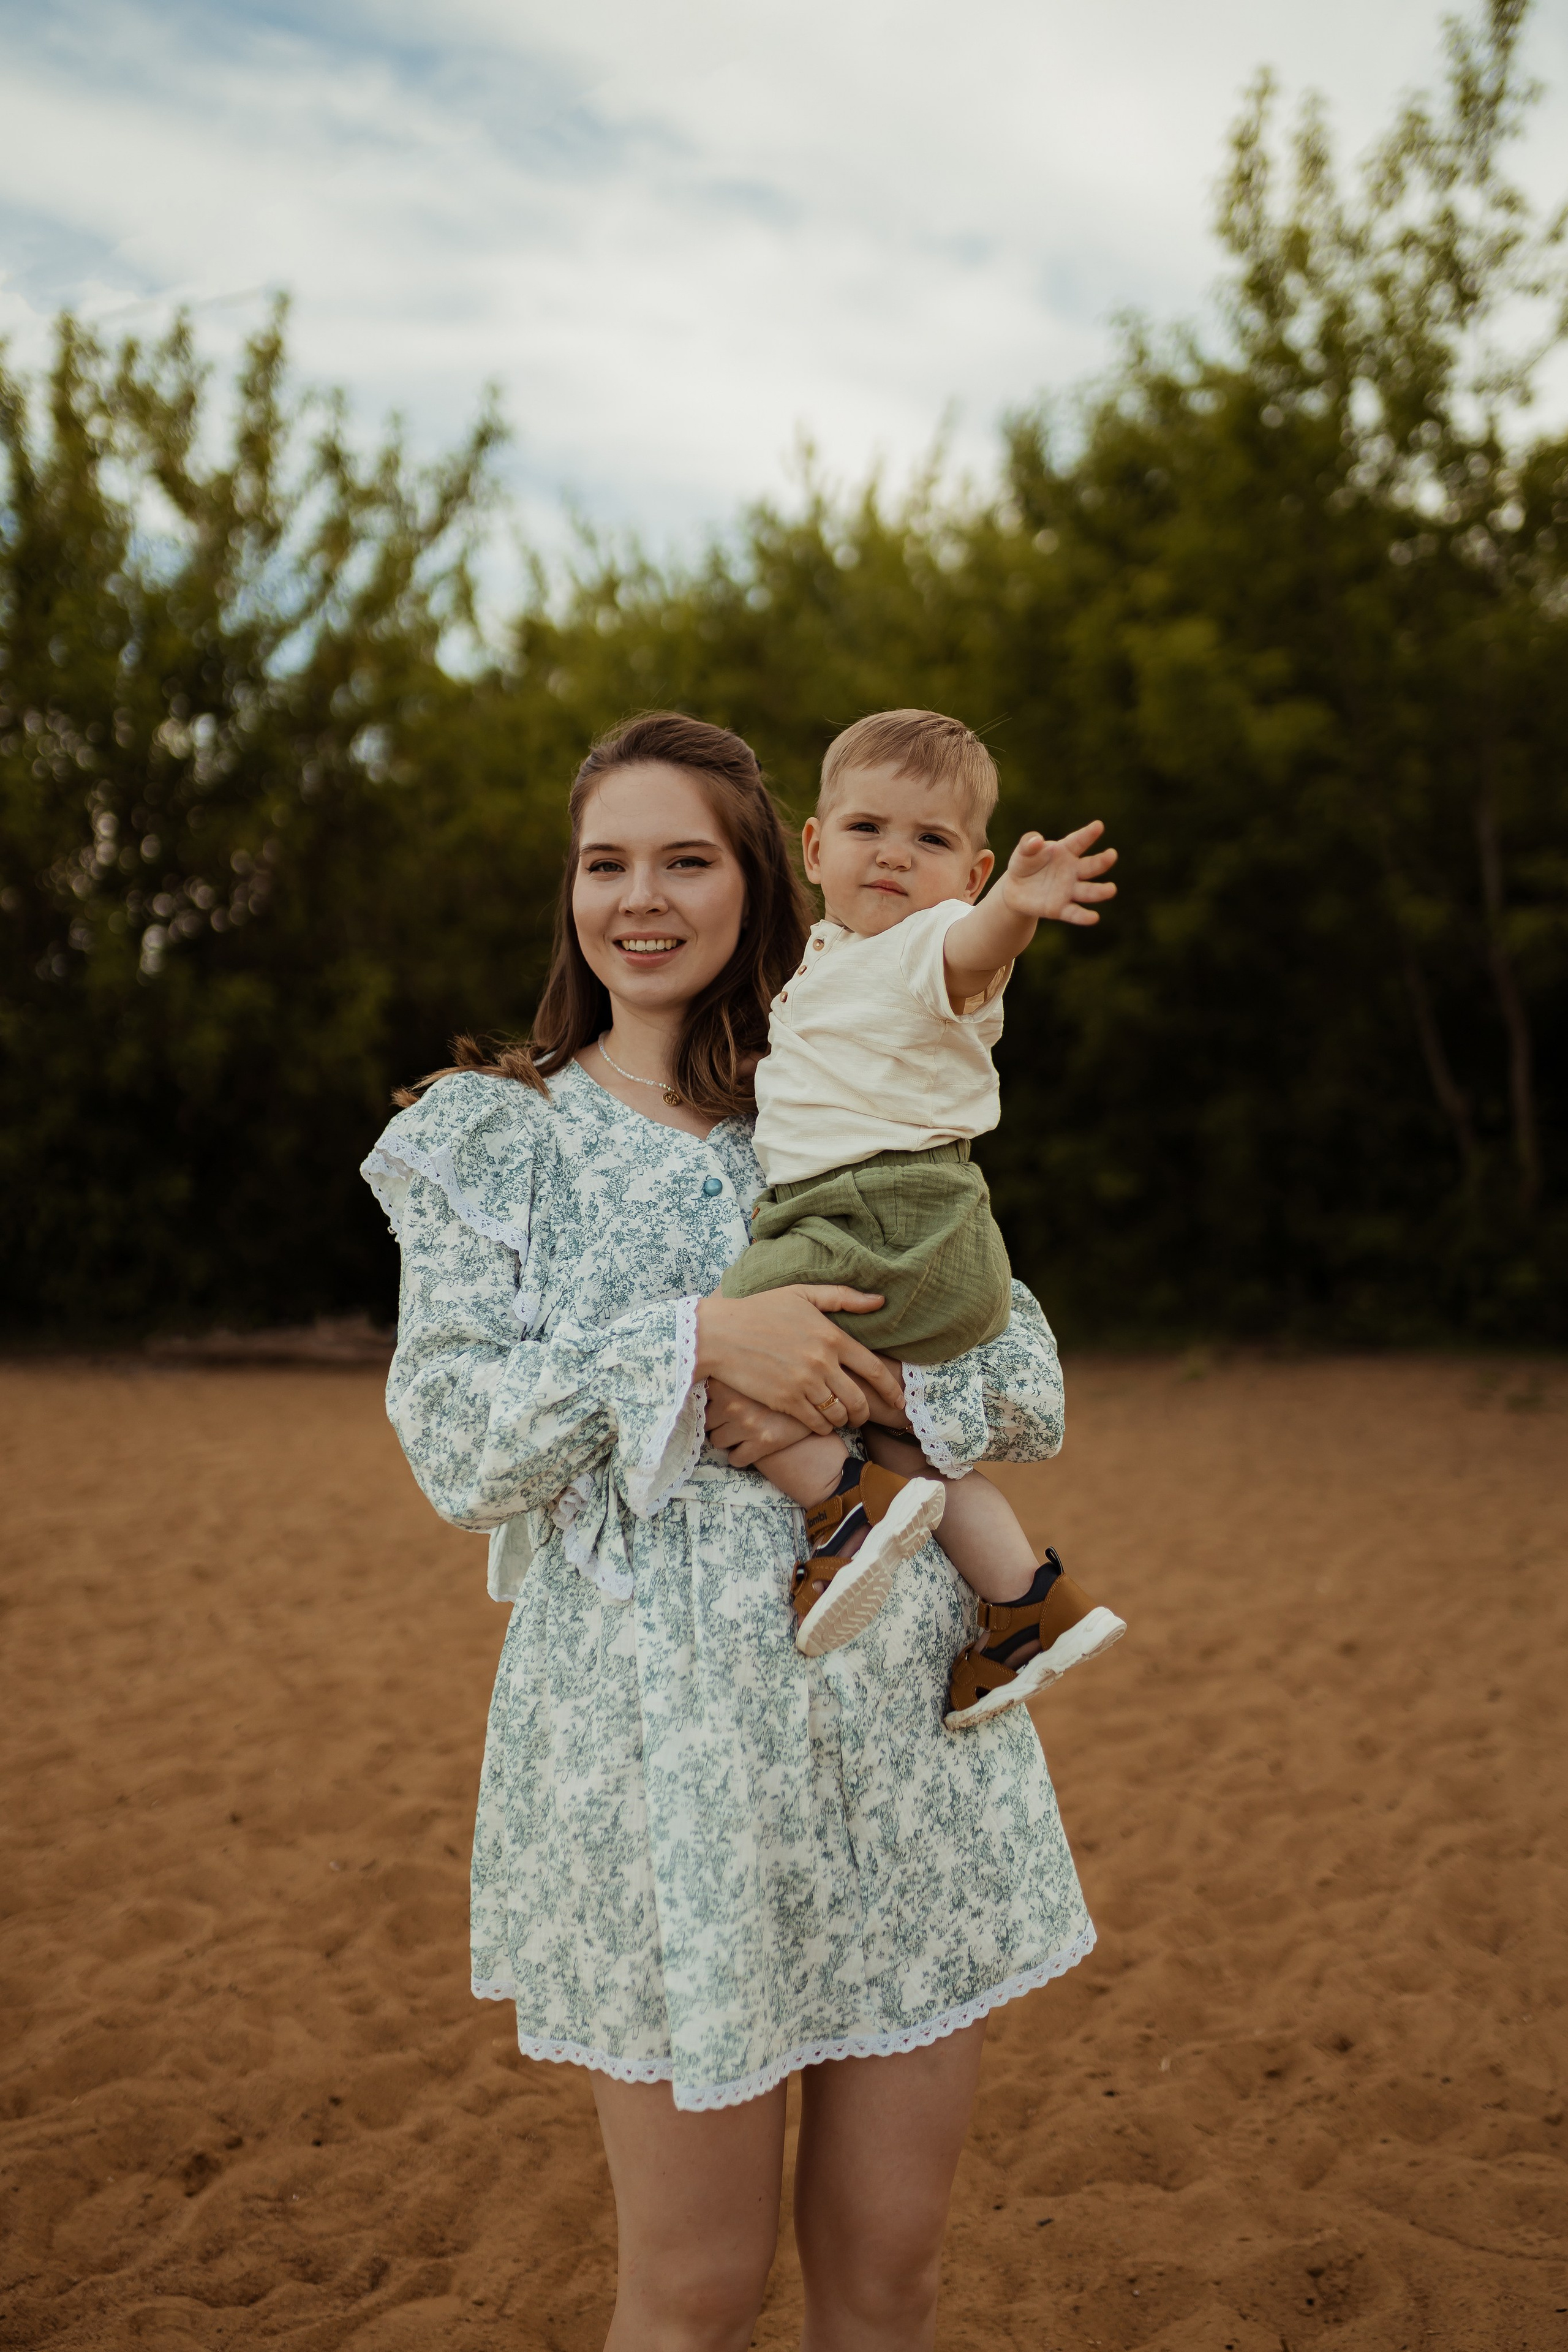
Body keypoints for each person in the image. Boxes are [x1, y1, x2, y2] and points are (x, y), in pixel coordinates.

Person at [362, 710, 1094, 2352]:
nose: (643, 896)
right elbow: (457, 1443)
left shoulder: (843, 1083)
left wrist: (856, 1372)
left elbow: (1026, 1375)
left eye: (687, 859)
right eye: (606, 861)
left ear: (761, 878)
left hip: (900, 1738)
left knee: (889, 2273)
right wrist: (697, 1341)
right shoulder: (501, 1135)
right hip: (660, 1758)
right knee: (692, 2292)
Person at [719, 708, 1126, 1727]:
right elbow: (837, 1068)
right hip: (927, 1236)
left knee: (721, 1338)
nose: (896, 855)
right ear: (815, 847)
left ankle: (844, 1512)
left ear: (971, 869)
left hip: (883, 1214)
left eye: (931, 840)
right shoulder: (830, 961)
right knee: (922, 1456)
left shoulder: (929, 942)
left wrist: (1013, 911)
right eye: (868, 830)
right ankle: (1028, 1605)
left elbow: (971, 951)